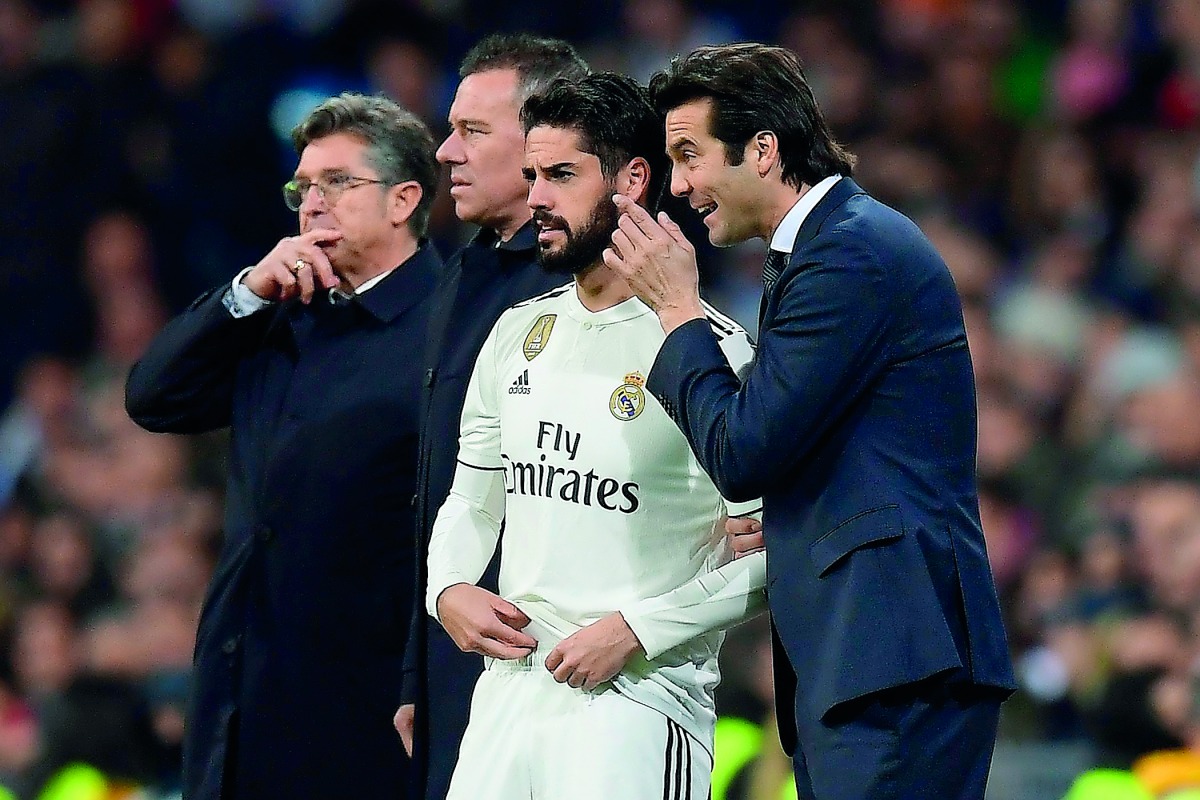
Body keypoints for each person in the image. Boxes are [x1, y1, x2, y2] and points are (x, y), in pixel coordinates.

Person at [604, 43, 1017, 800]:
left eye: (690, 154)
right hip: (873, 661)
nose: (680, 184)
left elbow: (742, 450)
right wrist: (790, 515)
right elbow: (822, 447)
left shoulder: (849, 254)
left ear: (763, 149)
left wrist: (674, 310)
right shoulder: (827, 251)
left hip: (894, 660)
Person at [426, 70, 766, 800]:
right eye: (531, 176)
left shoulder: (714, 352)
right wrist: (447, 586)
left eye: (560, 175)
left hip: (639, 705)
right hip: (508, 697)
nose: (537, 197)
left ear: (633, 178)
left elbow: (774, 556)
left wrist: (638, 631)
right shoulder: (517, 332)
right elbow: (473, 500)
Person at [125, 92, 440, 799]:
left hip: (365, 715)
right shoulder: (278, 312)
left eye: (338, 182)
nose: (312, 203)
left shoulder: (449, 326)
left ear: (403, 200)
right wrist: (244, 292)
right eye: (303, 187)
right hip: (242, 699)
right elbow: (155, 396)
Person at [391, 33, 590, 800]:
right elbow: (441, 491)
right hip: (457, 643)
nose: (446, 151)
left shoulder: (588, 285)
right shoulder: (462, 276)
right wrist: (421, 665)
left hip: (552, 659)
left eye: (473, 131)